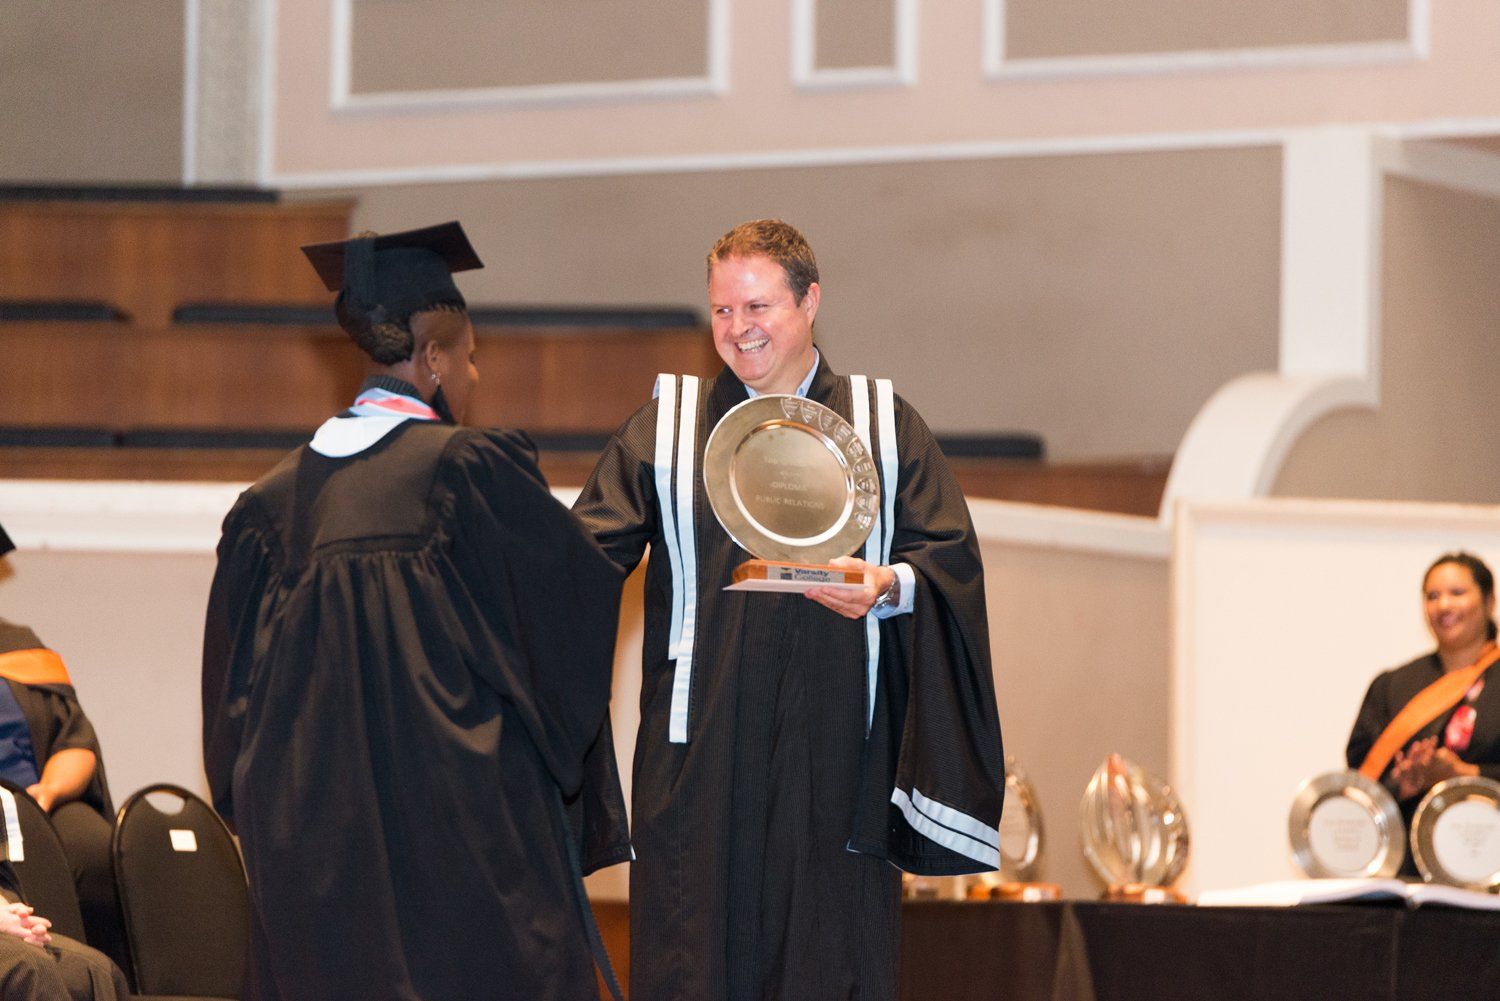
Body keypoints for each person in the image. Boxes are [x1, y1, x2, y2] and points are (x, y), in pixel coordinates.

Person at [574, 219, 1005, 1001]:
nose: (739, 331)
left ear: (810, 301)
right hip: (697, 759)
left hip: (837, 754)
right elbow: (575, 563)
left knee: (826, 962)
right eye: (722, 312)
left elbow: (949, 561)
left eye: (758, 306)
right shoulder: (667, 431)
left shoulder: (880, 424)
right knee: (696, 964)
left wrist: (886, 585)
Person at [201, 222, 629, 1001]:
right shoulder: (469, 474)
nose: (473, 372)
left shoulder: (264, 514)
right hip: (465, 870)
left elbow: (231, 734)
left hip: (315, 884)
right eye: (466, 355)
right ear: (432, 359)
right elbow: (563, 637)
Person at [0, 527, 126, 975]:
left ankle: (93, 973)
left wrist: (47, 793)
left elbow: (75, 742)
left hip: (33, 796)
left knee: (90, 845)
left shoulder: (21, 648)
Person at [1346, 552, 1500, 870]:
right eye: (1433, 596)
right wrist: (1401, 783)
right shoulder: (1392, 686)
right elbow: (1360, 779)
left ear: (1489, 600)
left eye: (1457, 593)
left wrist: (1466, 775)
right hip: (1407, 870)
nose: (1443, 605)